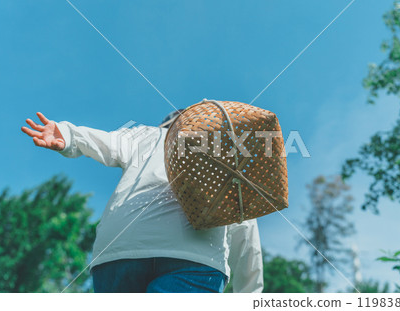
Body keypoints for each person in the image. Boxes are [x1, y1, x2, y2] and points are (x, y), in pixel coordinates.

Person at [21, 110, 263, 293]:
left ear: (165, 123)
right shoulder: (221, 151)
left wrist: (68, 134)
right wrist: (249, 295)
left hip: (119, 252)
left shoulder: (146, 134)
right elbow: (244, 226)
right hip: (195, 257)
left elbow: (105, 142)